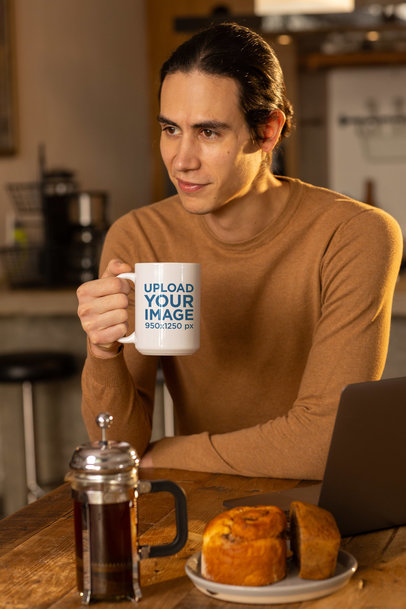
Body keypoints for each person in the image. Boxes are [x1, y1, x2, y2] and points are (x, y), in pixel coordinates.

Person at [77, 23, 402, 480]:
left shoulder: (355, 234)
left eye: (208, 133)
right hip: (196, 512)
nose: (181, 159)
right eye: (171, 129)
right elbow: (118, 443)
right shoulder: (138, 236)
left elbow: (323, 444)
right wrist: (102, 352)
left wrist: (162, 456)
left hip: (320, 511)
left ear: (267, 131)